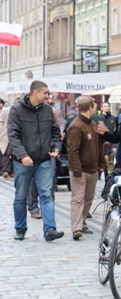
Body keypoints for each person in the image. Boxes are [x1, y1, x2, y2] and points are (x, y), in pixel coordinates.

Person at [8, 80, 64, 242]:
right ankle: (20, 228)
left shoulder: (48, 111)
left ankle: (50, 230)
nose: (48, 96)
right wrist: (22, 155)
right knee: (20, 196)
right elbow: (13, 136)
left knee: (47, 195)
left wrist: (56, 147)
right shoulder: (17, 110)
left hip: (44, 160)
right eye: (45, 93)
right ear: (35, 93)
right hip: (22, 162)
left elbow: (55, 132)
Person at [66, 96, 106, 240]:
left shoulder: (93, 124)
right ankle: (76, 228)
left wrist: (101, 163)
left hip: (92, 169)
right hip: (80, 170)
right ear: (90, 108)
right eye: (94, 106)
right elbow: (73, 151)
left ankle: (82, 223)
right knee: (78, 199)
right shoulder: (76, 126)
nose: (96, 108)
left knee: (88, 199)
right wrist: (76, 171)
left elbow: (97, 146)